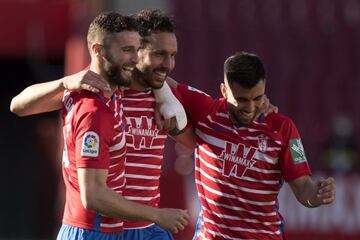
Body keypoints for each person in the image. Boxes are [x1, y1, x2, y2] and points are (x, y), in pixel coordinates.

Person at [11, 9, 194, 240]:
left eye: (172, 55)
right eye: (158, 54)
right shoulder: (94, 92)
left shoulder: (156, 95)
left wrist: (166, 97)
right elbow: (18, 105)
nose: (167, 63)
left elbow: (195, 139)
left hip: (143, 228)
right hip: (98, 225)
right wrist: (65, 82)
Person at [170, 52, 336, 239]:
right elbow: (161, 81)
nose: (250, 107)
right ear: (224, 91)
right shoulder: (207, 112)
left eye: (257, 98)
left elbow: (303, 186)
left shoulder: (283, 129)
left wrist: (315, 196)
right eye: (242, 99)